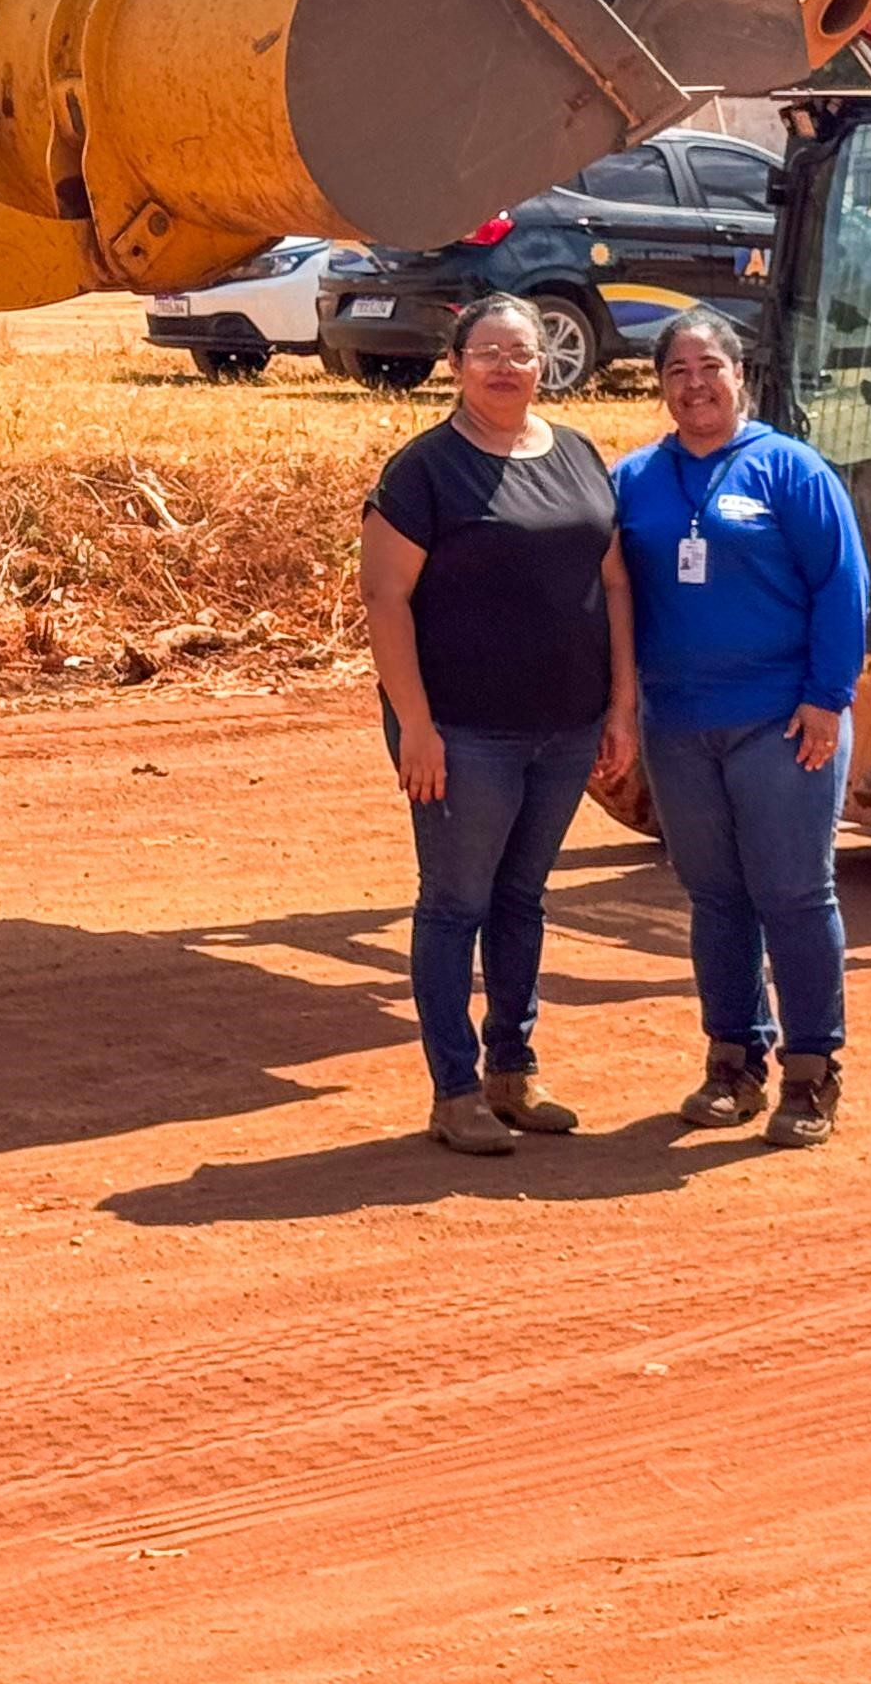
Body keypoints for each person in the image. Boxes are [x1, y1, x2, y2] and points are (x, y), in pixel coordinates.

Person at [360, 294, 640, 1156]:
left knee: (522, 900)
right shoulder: (425, 471)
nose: (507, 366)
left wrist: (621, 703)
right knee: (455, 904)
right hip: (463, 733)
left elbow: (617, 583)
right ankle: (453, 1090)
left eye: (522, 351)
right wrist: (417, 725)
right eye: (487, 351)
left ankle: (512, 1071)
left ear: (544, 361)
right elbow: (384, 596)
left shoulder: (579, 453)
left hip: (565, 726)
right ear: (455, 364)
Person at [613, 305, 870, 1149]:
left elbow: (841, 585)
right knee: (717, 898)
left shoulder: (790, 471)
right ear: (660, 388)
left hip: (783, 723)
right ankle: (733, 1062)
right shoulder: (636, 480)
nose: (695, 386)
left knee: (794, 895)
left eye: (709, 368)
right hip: (680, 725)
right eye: (677, 373)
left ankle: (812, 1072)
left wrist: (827, 698)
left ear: (740, 376)